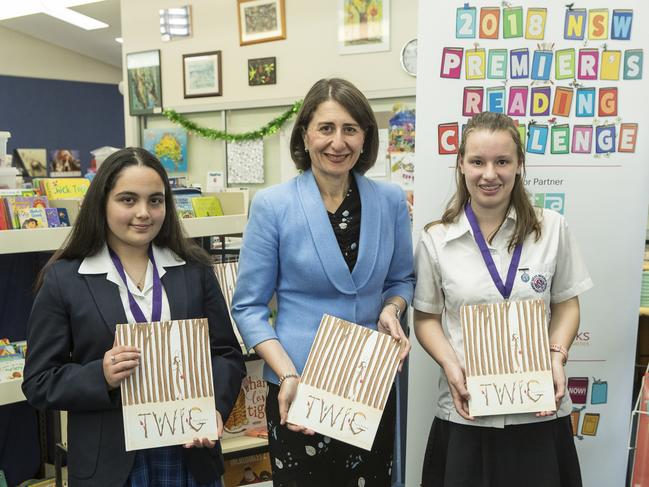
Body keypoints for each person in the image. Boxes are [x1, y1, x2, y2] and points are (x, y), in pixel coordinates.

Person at [22, 147, 246, 487]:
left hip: (187, 450)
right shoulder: (64, 279)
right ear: (102, 203)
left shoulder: (194, 269)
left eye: (155, 201)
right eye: (128, 200)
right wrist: (101, 375)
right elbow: (39, 381)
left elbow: (226, 355)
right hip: (110, 462)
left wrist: (213, 407)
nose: (144, 212)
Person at [231, 78, 415, 487]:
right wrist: (286, 371)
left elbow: (402, 278)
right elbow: (247, 306)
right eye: (326, 128)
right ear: (305, 135)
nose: (338, 142)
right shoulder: (272, 205)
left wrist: (392, 308)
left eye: (350, 129)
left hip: (371, 384)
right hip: (299, 387)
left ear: (366, 137)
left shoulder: (389, 201)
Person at [413, 112, 593, 487]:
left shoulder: (552, 228)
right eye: (477, 161)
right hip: (467, 413)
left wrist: (556, 357)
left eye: (502, 161)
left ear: (519, 165)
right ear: (461, 163)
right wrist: (450, 365)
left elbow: (566, 304)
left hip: (538, 411)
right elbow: (426, 318)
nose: (489, 174)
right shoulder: (436, 239)